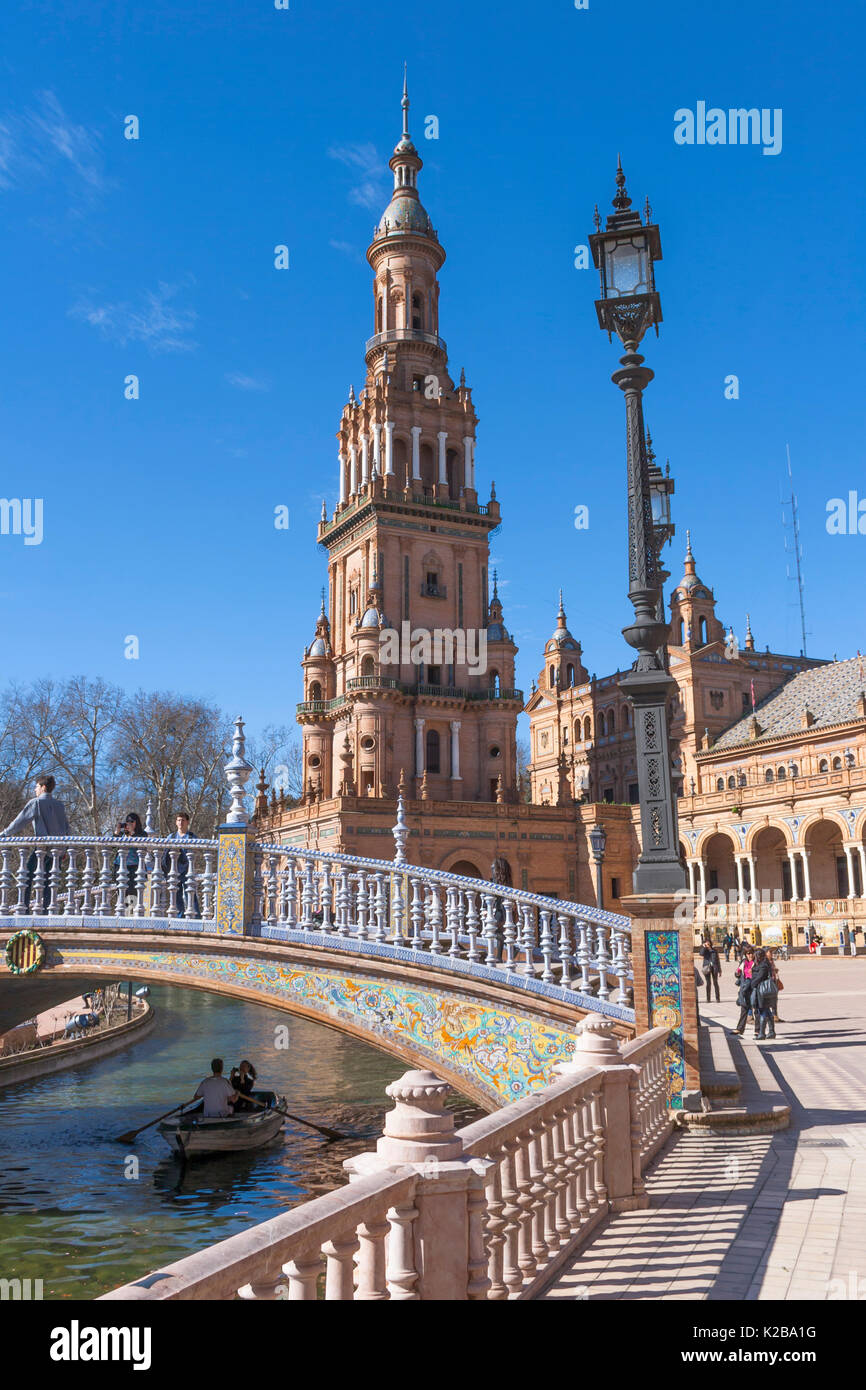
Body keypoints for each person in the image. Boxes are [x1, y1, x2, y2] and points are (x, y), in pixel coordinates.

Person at [2, 774, 71, 910]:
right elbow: (68, 828)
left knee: (26, 877)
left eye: (36, 787)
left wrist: (4, 834)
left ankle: (24, 909)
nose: (35, 790)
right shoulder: (60, 805)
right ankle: (47, 913)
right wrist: (66, 848)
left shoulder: (36, 803)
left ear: (43, 787)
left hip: (43, 849)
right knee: (50, 883)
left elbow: (19, 822)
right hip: (58, 850)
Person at [162, 812, 198, 917]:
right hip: (174, 870)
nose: (180, 822)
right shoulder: (171, 836)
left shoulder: (192, 837)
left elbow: (195, 853)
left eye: (182, 820)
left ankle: (196, 917)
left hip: (187, 870)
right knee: (176, 896)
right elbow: (165, 853)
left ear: (187, 822)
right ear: (176, 822)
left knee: (191, 895)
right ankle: (179, 917)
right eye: (178, 820)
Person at [115, 812, 145, 906]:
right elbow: (112, 846)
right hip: (120, 866)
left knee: (133, 893)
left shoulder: (142, 834)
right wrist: (117, 832)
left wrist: (133, 834)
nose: (129, 824)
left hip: (135, 867)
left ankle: (131, 914)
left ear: (137, 823)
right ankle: (122, 914)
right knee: (121, 892)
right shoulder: (123, 834)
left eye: (132, 822)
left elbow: (143, 846)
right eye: (127, 822)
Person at [749, 947, 777, 1041]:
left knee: (762, 1011)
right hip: (762, 991)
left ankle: (761, 1033)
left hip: (762, 991)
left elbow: (760, 977)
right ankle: (772, 1031)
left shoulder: (763, 965)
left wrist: (752, 984)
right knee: (767, 1011)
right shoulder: (763, 964)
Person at [731, 946, 755, 1035]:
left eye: (752, 953)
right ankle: (740, 1029)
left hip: (753, 988)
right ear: (745, 954)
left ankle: (758, 1031)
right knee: (744, 1008)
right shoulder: (743, 962)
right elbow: (737, 973)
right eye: (748, 953)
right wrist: (737, 973)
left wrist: (752, 973)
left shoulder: (756, 962)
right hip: (744, 988)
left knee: (757, 1010)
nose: (750, 955)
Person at [700, 937, 721, 1003]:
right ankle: (708, 999)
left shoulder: (714, 950)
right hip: (707, 968)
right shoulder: (705, 950)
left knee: (715, 983)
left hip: (714, 968)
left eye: (708, 943)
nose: (708, 944)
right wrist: (704, 947)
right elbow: (701, 954)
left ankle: (717, 998)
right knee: (708, 983)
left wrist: (720, 970)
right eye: (706, 943)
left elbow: (717, 960)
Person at [767, 947, 784, 1024]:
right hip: (768, 983)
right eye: (769, 952)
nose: (771, 954)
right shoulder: (765, 962)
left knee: (775, 999)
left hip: (774, 981)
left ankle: (775, 1015)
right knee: (769, 1000)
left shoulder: (771, 961)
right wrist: (773, 970)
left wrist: (775, 970)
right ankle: (770, 1016)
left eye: (771, 952)